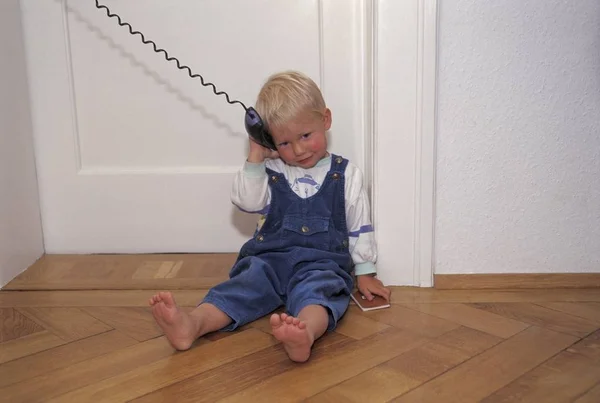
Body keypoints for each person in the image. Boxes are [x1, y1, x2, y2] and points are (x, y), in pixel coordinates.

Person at [149, 71, 391, 362]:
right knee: (240, 288)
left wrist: (365, 272)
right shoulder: (271, 171)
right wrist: (255, 156)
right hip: (268, 261)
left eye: (305, 136)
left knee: (319, 294)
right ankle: (193, 324)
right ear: (268, 139)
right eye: (285, 143)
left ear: (325, 120)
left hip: (321, 263)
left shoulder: (346, 174)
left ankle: (305, 334)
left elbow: (358, 224)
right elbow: (246, 201)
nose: (299, 149)